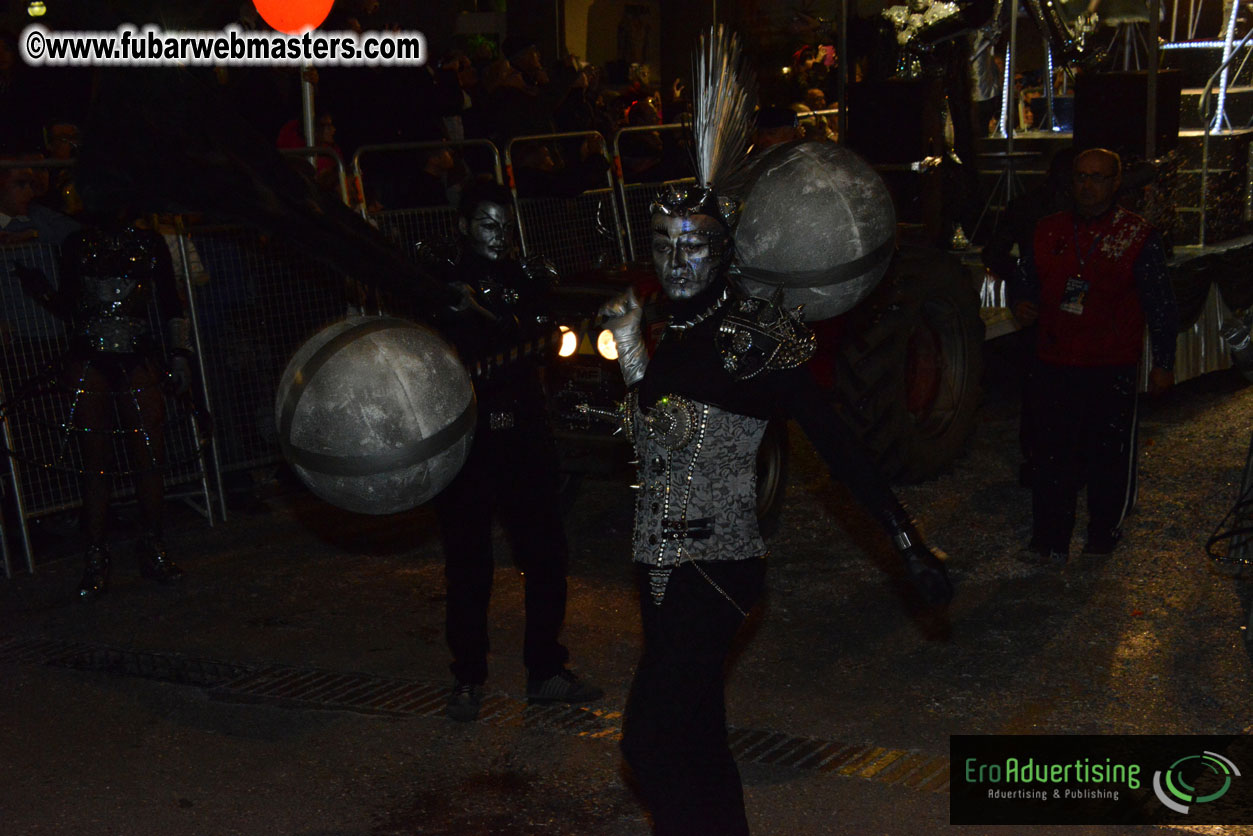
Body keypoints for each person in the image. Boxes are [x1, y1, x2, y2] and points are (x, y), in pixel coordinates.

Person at [597, 29, 953, 834]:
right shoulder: (670, 330)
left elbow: (836, 442)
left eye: (692, 246)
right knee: (694, 734)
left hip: (715, 565)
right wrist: (626, 345)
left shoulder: (756, 340)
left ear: (724, 251)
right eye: (662, 246)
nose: (677, 261)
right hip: (656, 560)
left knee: (649, 743)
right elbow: (654, 438)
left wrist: (906, 543)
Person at [418, 181, 603, 722]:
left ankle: (545, 670)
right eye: (486, 224)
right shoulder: (446, 288)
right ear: (464, 226)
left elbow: (551, 342)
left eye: (505, 225)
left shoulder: (526, 283)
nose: (498, 236)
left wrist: (539, 331)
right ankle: (468, 679)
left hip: (525, 438)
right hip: (471, 445)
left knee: (546, 557)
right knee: (469, 566)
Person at [17, 199, 195, 599]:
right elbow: (71, 307)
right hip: (89, 356)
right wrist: (42, 292)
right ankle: (96, 557)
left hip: (137, 354)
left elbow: (170, 303)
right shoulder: (77, 243)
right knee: (95, 463)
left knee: (149, 456)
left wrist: (181, 354)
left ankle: (153, 546)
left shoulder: (151, 243)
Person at [1009, 148, 1178, 564]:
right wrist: (1023, 302)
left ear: (1115, 182)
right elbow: (1025, 278)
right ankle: (1050, 539)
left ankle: (1102, 534)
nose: (1088, 185)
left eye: (1098, 177)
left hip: (1110, 365)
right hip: (1055, 361)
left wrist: (1164, 363)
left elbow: (1160, 303)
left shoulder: (1136, 235)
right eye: (1082, 176)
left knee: (1109, 455)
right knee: (1051, 455)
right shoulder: (1048, 229)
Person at [981, 146, 1075, 486]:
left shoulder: (1084, 209)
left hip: (1066, 312)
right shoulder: (1031, 208)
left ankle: (1053, 460)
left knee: (1060, 389)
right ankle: (1042, 461)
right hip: (1041, 311)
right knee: (1041, 388)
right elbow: (995, 253)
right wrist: (1022, 294)